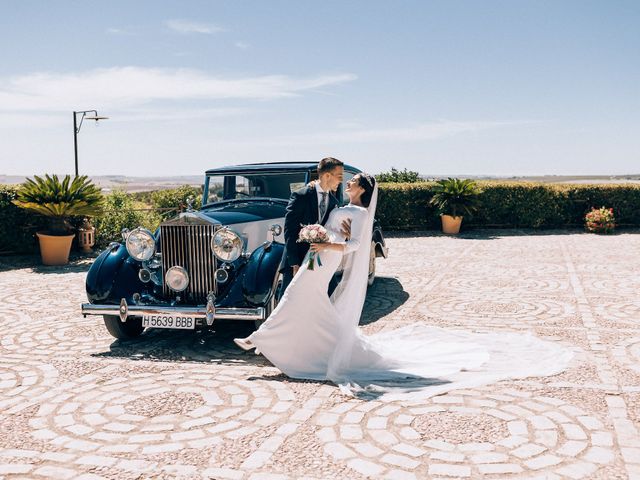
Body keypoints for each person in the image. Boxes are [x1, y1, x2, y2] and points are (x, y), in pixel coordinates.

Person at [235, 173, 573, 400]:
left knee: (297, 297)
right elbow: (337, 233)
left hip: (325, 259)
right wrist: (318, 237)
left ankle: (260, 338)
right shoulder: (345, 208)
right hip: (317, 259)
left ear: (362, 189)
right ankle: (293, 341)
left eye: (352, 182)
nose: (347, 183)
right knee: (302, 301)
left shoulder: (360, 214)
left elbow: (352, 247)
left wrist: (326, 244)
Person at [278, 157, 349, 295]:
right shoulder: (301, 195)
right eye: (339, 176)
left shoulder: (334, 202)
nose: (341, 180)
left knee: (330, 298)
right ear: (327, 175)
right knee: (291, 302)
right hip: (297, 262)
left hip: (321, 262)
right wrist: (294, 263)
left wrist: (347, 233)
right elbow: (290, 230)